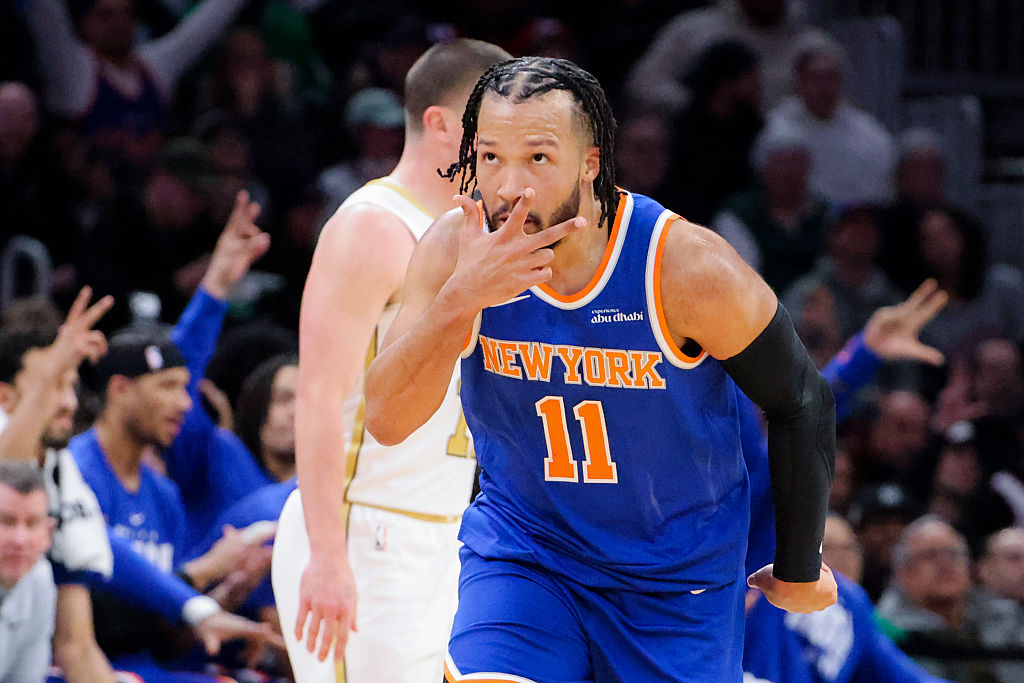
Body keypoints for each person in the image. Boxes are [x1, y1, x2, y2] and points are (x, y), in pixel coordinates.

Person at [363, 56, 837, 683]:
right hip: (527, 553)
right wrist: (461, 299)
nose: (508, 186)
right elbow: (387, 419)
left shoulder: (683, 266)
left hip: (673, 581)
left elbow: (802, 398)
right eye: (490, 157)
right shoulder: (456, 248)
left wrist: (801, 567)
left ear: (589, 164)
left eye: (537, 158)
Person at [270, 38, 512, 683]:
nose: (505, 145)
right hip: (363, 527)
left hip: (439, 531)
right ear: (439, 124)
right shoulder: (372, 226)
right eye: (491, 125)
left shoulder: (474, 237)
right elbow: (319, 396)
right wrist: (327, 554)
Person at [0, 459, 57, 683]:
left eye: (32, 523)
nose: (20, 540)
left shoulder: (40, 581)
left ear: (48, 532)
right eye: (5, 521)